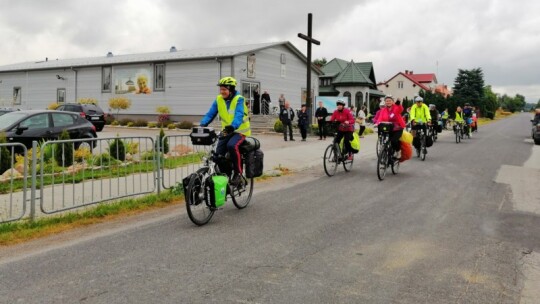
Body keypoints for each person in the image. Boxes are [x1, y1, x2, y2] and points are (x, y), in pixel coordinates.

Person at [200, 76, 250, 186]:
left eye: (224, 89)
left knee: (232, 146)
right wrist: (202, 124)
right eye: (221, 89)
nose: (222, 92)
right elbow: (210, 113)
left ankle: (238, 174)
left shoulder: (239, 99)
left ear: (231, 89)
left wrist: (233, 126)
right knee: (218, 155)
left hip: (240, 130)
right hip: (227, 131)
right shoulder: (218, 100)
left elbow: (239, 114)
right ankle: (226, 174)